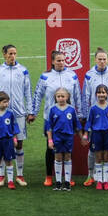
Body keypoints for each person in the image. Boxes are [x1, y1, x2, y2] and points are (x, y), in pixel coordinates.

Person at [32, 50, 79, 187]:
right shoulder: (45, 77)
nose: (61, 63)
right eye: (58, 60)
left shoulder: (72, 75)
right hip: (51, 118)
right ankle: (49, 176)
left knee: (68, 148)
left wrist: (80, 114)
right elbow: (38, 95)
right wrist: (33, 112)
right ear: (52, 61)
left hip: (68, 118)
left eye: (63, 60)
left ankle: (67, 177)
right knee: (51, 147)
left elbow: (77, 96)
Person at [79, 47, 108, 188]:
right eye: (99, 59)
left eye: (104, 59)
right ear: (95, 60)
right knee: (94, 149)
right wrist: (84, 115)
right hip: (96, 118)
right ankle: (91, 175)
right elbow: (85, 96)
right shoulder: (89, 75)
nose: (102, 61)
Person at [0, 44, 32, 187]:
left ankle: (19, 175)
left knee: (19, 144)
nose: (13, 56)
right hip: (1, 114)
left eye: (15, 53)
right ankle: (1, 176)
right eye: (10, 53)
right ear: (4, 55)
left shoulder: (23, 71)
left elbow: (28, 92)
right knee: (1, 143)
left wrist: (30, 111)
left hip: (19, 113)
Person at [85, 85, 108, 190]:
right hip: (97, 135)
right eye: (99, 92)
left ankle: (106, 181)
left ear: (107, 94)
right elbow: (89, 123)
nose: (101, 94)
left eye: (103, 92)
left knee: (106, 157)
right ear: (96, 95)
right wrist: (86, 135)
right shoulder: (93, 108)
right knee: (98, 158)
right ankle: (99, 181)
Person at [43, 88, 77, 191]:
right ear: (55, 98)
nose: (61, 98)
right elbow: (49, 127)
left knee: (67, 157)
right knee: (57, 157)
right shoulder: (52, 109)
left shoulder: (71, 109)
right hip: (57, 137)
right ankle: (58, 182)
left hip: (68, 138)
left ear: (67, 97)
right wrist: (50, 140)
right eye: (58, 96)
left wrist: (83, 136)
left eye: (63, 96)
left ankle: (67, 182)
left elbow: (76, 125)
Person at [0, 91, 20, 189]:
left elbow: (14, 127)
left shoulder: (10, 113)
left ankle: (10, 181)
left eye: (7, 102)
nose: (6, 104)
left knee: (9, 160)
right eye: (4, 102)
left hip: (8, 141)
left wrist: (15, 139)